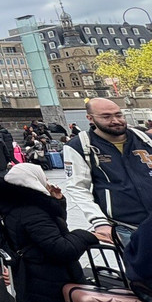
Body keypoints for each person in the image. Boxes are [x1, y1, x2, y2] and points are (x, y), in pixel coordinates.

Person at [0, 163, 100, 302]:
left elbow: (49, 230)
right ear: (32, 181)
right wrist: (88, 235)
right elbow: (61, 248)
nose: (47, 182)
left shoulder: (16, 204)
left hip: (34, 279)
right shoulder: (31, 210)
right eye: (43, 178)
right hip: (48, 284)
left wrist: (58, 201)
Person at [64, 97, 152, 243]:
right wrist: (99, 221)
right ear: (90, 118)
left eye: (118, 115)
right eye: (106, 116)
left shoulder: (145, 139)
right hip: (126, 226)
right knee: (140, 265)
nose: (116, 120)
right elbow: (77, 187)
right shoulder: (81, 146)